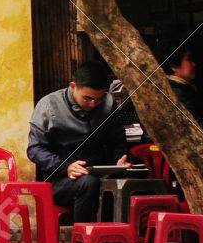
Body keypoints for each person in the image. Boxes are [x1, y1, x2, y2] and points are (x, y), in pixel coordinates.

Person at [27, 61, 130, 223]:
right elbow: (35, 149)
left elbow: (117, 141)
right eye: (87, 98)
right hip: (58, 181)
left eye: (99, 99)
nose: (93, 104)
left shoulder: (108, 104)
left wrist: (119, 158)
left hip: (101, 174)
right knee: (88, 183)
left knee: (130, 183)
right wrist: (65, 167)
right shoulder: (49, 105)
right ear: (73, 86)